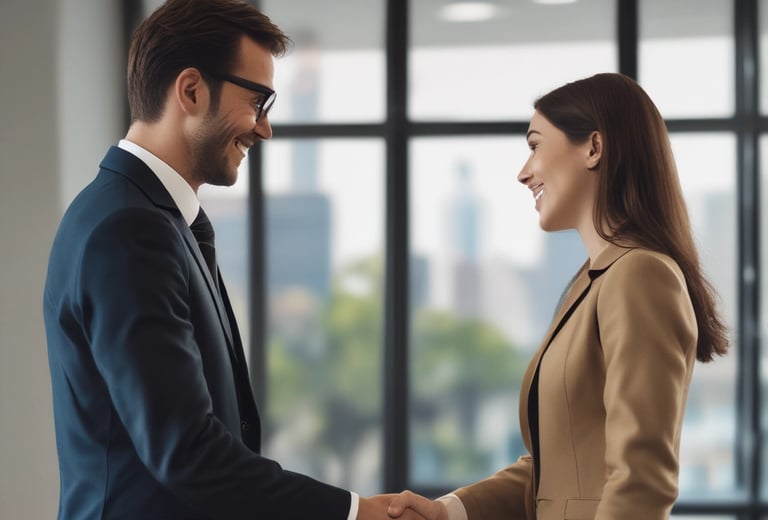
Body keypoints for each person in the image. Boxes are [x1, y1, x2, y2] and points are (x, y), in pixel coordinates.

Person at [43, 1, 413, 518]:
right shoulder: (129, 230)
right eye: (258, 101)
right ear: (191, 90)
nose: (264, 129)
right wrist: (356, 511)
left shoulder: (151, 218)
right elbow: (187, 453)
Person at [386, 72, 729, 520]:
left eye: (534, 145)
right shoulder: (591, 283)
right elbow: (553, 470)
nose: (523, 173)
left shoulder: (640, 274)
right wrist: (448, 511)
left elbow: (641, 479)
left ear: (593, 147)